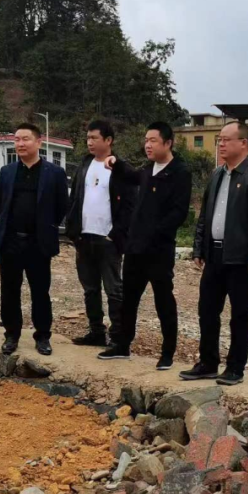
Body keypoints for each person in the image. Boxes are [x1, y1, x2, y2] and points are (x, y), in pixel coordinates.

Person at [181, 121, 248, 386]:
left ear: (243, 143)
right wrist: (199, 248)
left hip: (242, 259)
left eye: (226, 139)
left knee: (240, 314)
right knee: (207, 311)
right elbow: (205, 215)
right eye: (219, 140)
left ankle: (235, 367)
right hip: (214, 255)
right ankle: (208, 363)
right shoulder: (217, 174)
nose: (221, 144)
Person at [98, 121, 193, 369]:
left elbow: (179, 213)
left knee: (163, 301)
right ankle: (122, 345)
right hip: (135, 248)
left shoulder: (180, 172)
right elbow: (132, 176)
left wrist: (154, 234)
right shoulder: (149, 168)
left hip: (159, 250)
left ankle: (167, 353)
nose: (147, 145)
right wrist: (116, 163)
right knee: (129, 299)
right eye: (146, 140)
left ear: (168, 143)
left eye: (153, 141)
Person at [0, 122, 69, 356]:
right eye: (16, 139)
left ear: (38, 142)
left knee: (40, 291)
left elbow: (61, 206)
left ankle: (43, 336)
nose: (20, 144)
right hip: (10, 241)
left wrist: (45, 228)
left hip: (38, 242)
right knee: (9, 291)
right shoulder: (7, 172)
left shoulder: (54, 173)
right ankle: (11, 334)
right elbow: (0, 203)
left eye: (25, 139)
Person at [65, 119, 132, 346]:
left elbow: (129, 206)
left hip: (108, 239)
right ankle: (96, 332)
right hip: (84, 237)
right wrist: (74, 232)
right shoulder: (84, 165)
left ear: (108, 140)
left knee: (114, 290)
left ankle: (118, 336)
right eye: (88, 138)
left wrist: (116, 235)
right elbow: (74, 199)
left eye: (94, 138)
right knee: (90, 289)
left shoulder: (119, 168)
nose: (89, 142)